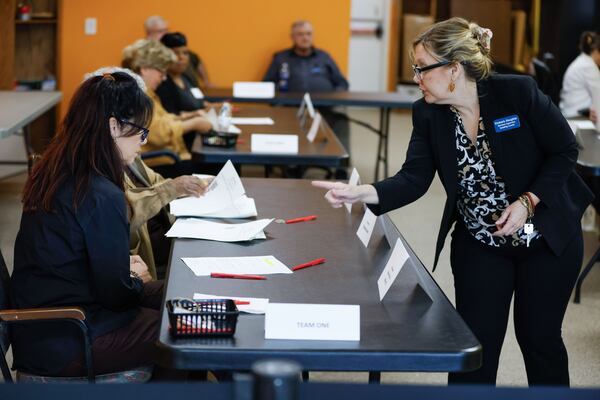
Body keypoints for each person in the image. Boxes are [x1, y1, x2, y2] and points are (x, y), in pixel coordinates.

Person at [313, 17, 593, 386]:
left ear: (454, 70)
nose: (416, 79)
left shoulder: (517, 93)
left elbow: (564, 150)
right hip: (480, 244)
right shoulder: (428, 113)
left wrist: (527, 201)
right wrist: (365, 192)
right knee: (475, 347)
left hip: (547, 239)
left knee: (539, 339)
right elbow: (414, 178)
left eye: (421, 69)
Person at [10, 70, 162, 377]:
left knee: (172, 296)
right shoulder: (100, 193)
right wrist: (132, 275)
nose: (141, 144)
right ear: (113, 126)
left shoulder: (58, 168)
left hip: (44, 327)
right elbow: (116, 295)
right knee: (181, 329)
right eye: (140, 133)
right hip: (70, 333)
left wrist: (126, 273)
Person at [263, 20, 351, 167]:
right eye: (300, 34)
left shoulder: (324, 57)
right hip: (289, 111)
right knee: (285, 122)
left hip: (323, 111)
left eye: (308, 34)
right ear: (292, 37)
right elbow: (266, 85)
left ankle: (341, 166)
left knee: (342, 121)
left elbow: (342, 83)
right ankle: (290, 167)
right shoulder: (281, 58)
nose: (305, 38)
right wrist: (278, 101)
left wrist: (334, 99)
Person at [122, 39, 213, 178]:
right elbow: (158, 134)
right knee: (220, 165)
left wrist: (187, 116)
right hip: (156, 164)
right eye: (161, 72)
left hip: (165, 159)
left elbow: (162, 118)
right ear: (145, 68)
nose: (164, 78)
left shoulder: (146, 93)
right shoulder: (139, 97)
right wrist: (194, 123)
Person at [144, 15, 212, 88]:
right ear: (149, 33)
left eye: (166, 30)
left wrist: (206, 82)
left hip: (190, 89)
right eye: (160, 31)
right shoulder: (146, 52)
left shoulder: (177, 46)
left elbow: (196, 59)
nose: (165, 33)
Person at [156, 32, 207, 116]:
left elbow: (199, 100)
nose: (181, 57)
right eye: (176, 53)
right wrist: (195, 114)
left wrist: (215, 106)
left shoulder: (187, 78)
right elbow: (169, 116)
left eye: (185, 53)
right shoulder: (162, 83)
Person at [560, 31, 600, 122]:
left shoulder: (583, 61)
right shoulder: (589, 66)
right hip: (576, 117)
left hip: (569, 113)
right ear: (596, 51)